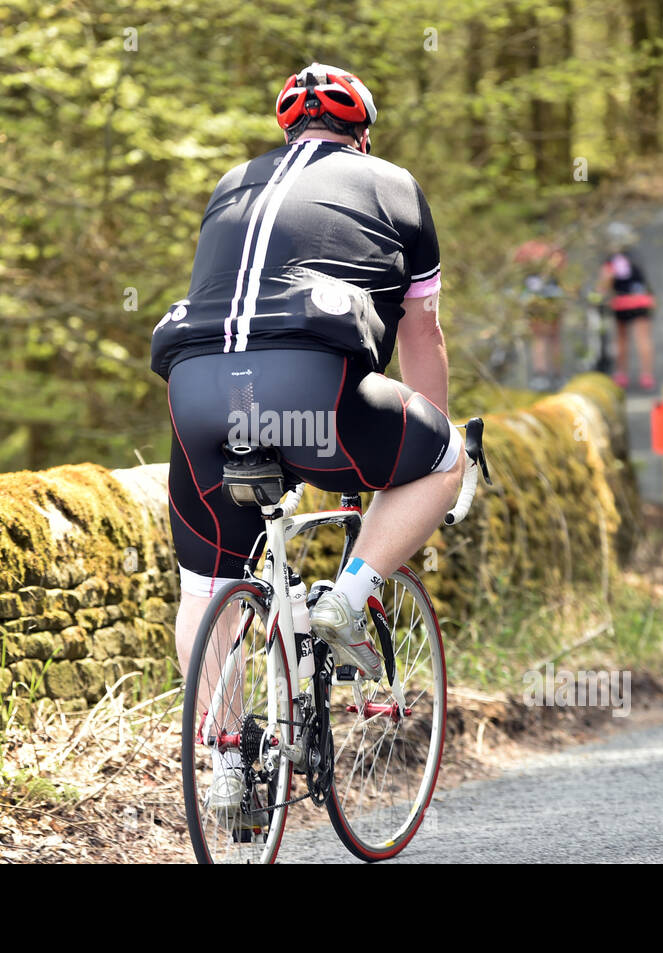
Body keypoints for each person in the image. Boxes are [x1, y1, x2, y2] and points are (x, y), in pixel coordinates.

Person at [150, 63, 463, 814]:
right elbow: (421, 333)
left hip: (196, 396)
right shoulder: (393, 185)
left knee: (206, 588)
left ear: (287, 129)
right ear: (361, 133)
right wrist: (425, 434)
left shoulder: (230, 184)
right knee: (445, 458)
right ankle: (345, 600)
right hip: (314, 390)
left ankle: (228, 774)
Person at [597, 221, 656, 391]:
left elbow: (605, 282)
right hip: (641, 300)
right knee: (643, 338)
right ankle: (647, 375)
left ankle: (621, 374)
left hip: (622, 302)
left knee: (622, 339)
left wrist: (599, 293)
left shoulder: (612, 259)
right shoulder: (634, 256)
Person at [512, 238, 567, 392]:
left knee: (543, 337)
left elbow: (517, 263)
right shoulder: (554, 249)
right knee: (550, 337)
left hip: (540, 296)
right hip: (545, 296)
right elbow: (562, 267)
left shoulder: (527, 248)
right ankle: (551, 375)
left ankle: (544, 375)